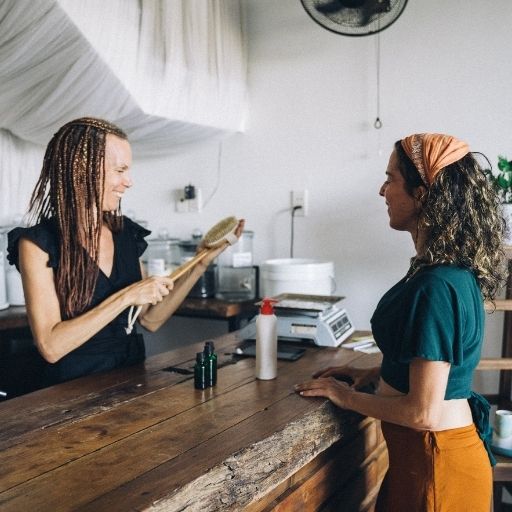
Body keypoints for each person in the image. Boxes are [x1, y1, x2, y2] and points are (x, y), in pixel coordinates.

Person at [295, 133, 504, 511]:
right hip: (424, 458)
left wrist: (345, 396)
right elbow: (437, 366)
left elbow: (423, 412)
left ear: (422, 194)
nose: (382, 190)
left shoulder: (436, 285)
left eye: (390, 179)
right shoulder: (445, 271)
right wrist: (376, 373)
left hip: (436, 464)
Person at [7, 117, 244, 386]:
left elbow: (149, 319)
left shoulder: (126, 234)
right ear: (82, 170)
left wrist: (201, 261)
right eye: (120, 170)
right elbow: (51, 346)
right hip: (70, 389)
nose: (128, 182)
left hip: (131, 379)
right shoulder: (37, 244)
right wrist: (127, 296)